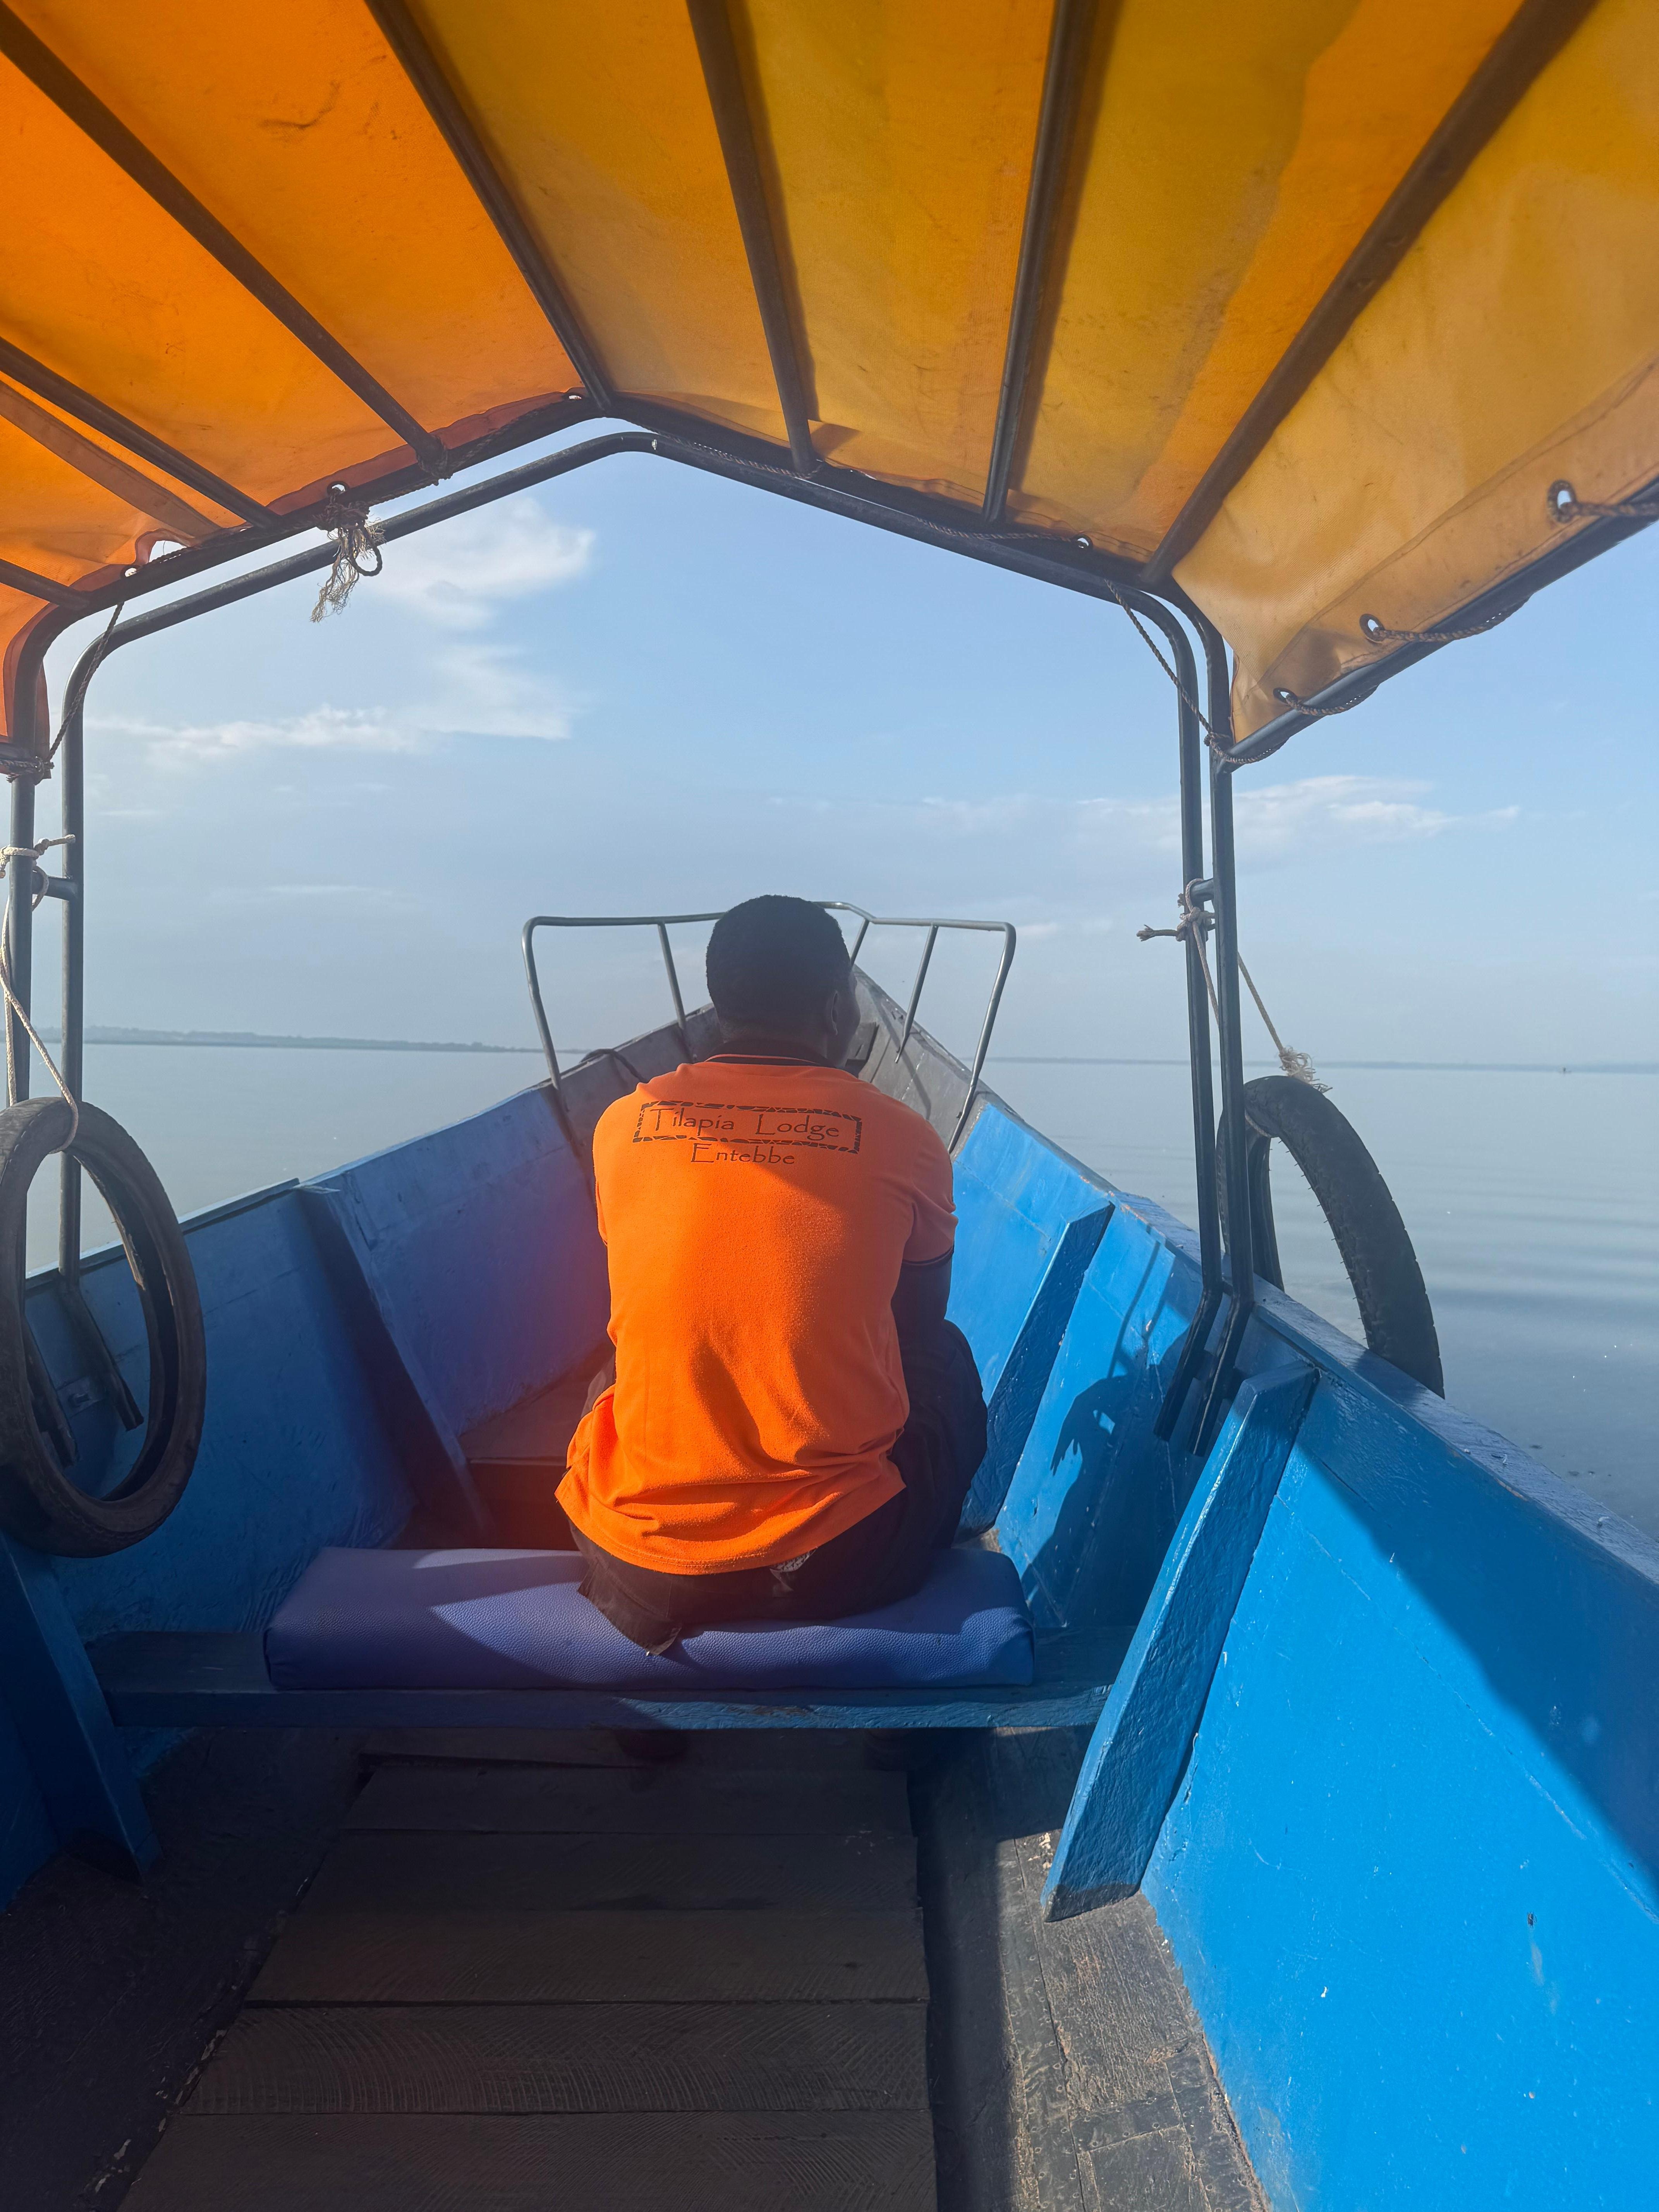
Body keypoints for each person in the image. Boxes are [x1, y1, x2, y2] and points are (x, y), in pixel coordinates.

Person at [558, 894, 987, 1652]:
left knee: (612, 1374)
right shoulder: (906, 1137)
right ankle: (922, 1588)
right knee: (946, 1361)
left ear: (720, 1005)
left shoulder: (621, 1126)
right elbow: (917, 1324)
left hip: (636, 1562)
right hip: (837, 1561)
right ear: (835, 1010)